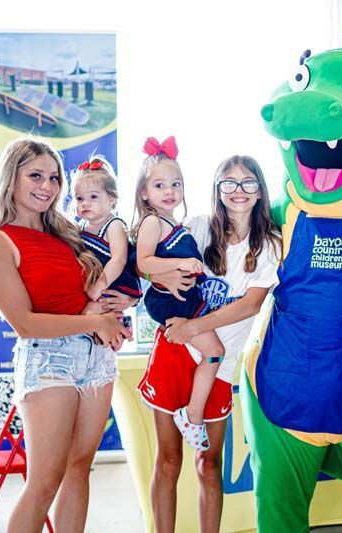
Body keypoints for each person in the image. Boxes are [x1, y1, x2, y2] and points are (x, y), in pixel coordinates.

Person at [0, 137, 132, 533]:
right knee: (44, 481)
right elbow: (25, 323)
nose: (47, 185)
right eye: (36, 176)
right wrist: (94, 322)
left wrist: (111, 310)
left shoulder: (68, 232)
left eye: (54, 177)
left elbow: (96, 288)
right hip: (47, 360)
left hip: (96, 357)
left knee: (79, 469)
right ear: (10, 180)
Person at [137, 154, 281, 532]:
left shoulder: (269, 243)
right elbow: (152, 261)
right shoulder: (198, 228)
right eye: (228, 183)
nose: (238, 191)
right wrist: (165, 280)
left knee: (209, 462)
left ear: (260, 190)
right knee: (168, 460)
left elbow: (251, 304)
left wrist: (195, 325)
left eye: (248, 182)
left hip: (221, 361)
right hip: (176, 348)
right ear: (217, 190)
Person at [131, 136, 226, 451]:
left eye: (176, 184)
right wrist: (178, 265)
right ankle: (192, 415)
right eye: (159, 186)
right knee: (214, 351)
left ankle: (194, 413)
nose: (169, 191)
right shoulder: (152, 223)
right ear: (144, 193)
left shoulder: (177, 225)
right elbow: (143, 261)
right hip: (172, 303)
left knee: (214, 352)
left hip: (188, 302)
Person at [72, 155, 142, 301]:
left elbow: (119, 260)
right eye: (79, 198)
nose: (85, 203)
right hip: (92, 286)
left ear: (111, 199)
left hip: (114, 284)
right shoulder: (81, 227)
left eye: (93, 197)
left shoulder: (114, 225)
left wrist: (99, 286)